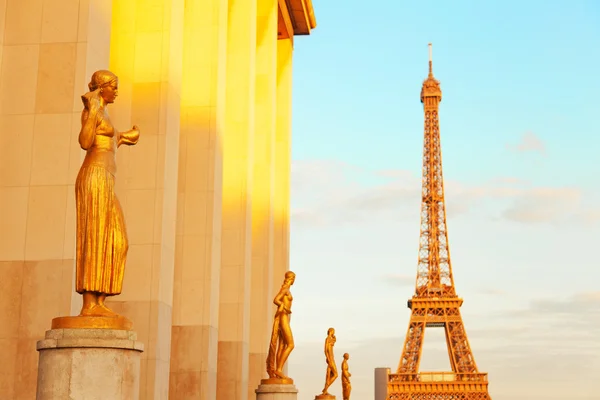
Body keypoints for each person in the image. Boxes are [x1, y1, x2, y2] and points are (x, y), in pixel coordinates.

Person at [75, 70, 140, 317]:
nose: (117, 91)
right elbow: (85, 141)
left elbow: (107, 141)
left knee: (117, 240)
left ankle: (100, 300)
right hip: (94, 176)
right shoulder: (93, 110)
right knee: (95, 235)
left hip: (106, 178)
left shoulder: (105, 113)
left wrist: (124, 137)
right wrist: (91, 110)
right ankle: (89, 304)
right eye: (114, 86)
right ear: (101, 88)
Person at [266, 271, 296, 380]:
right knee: (291, 344)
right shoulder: (285, 289)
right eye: (293, 278)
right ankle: (278, 369)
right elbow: (276, 300)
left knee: (282, 345)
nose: (294, 281)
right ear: (291, 278)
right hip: (283, 316)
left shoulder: (287, 289)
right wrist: (284, 307)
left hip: (286, 317)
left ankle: (279, 370)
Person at [321, 327, 338, 395]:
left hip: (331, 358)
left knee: (329, 374)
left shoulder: (330, 339)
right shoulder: (327, 339)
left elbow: (333, 342)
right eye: (333, 331)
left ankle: (325, 389)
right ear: (331, 331)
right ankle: (325, 388)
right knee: (335, 374)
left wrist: (334, 338)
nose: (334, 333)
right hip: (330, 358)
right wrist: (327, 357)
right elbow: (325, 349)